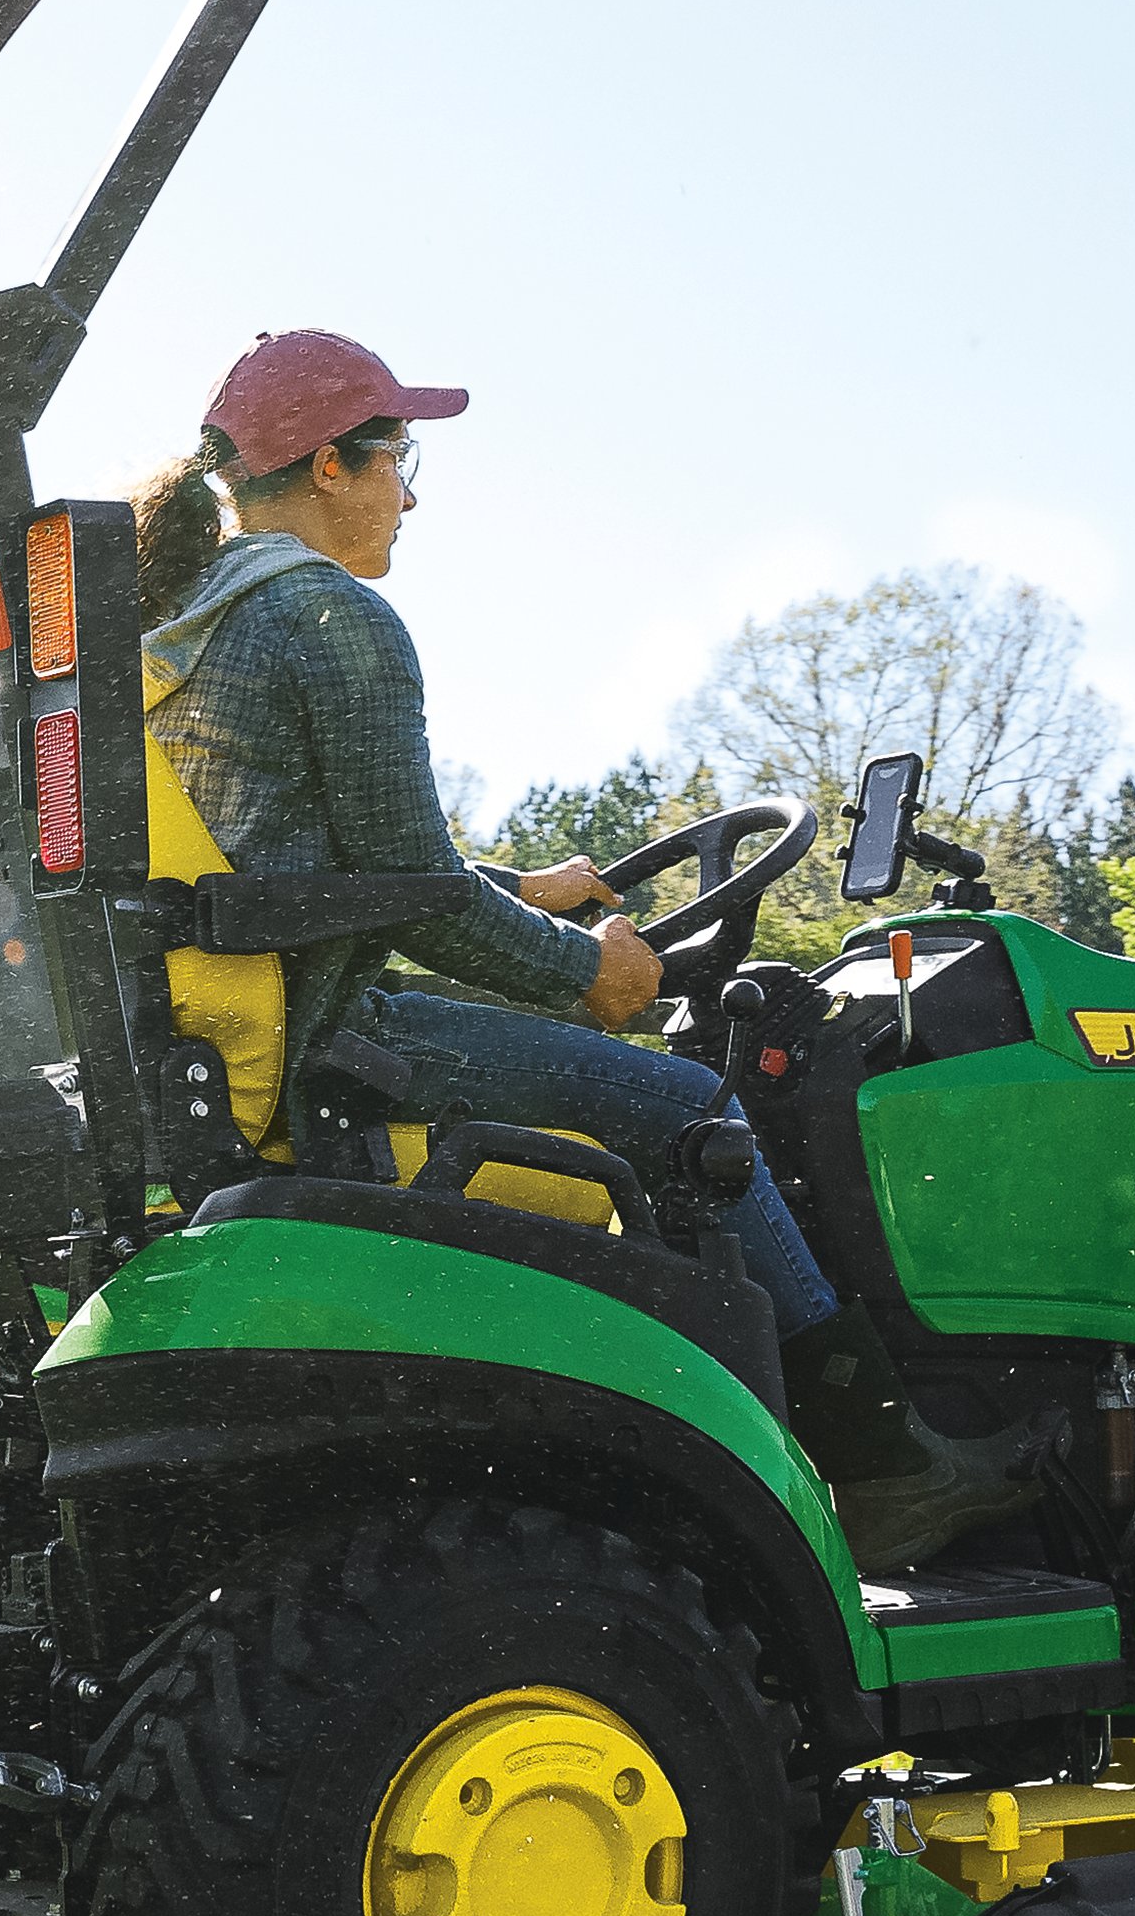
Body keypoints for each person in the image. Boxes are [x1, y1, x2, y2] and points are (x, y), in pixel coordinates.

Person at [134, 327, 1030, 1559]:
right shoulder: (326, 617)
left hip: (239, 1019)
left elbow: (307, 861)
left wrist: (522, 885)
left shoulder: (188, 620)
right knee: (686, 1106)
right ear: (334, 466)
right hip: (329, 1037)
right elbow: (415, 905)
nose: (411, 492)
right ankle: (883, 1466)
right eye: (400, 456)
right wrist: (587, 974)